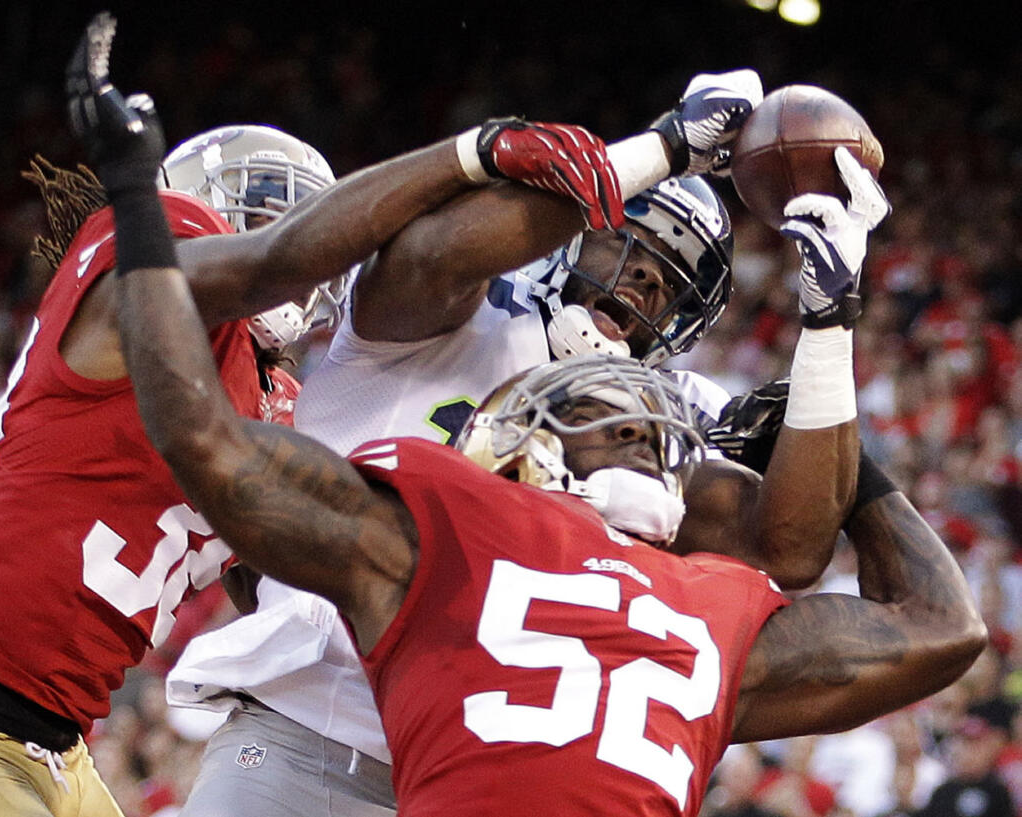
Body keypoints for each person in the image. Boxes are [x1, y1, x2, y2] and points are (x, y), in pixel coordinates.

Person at [85, 48, 987, 817]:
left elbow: (787, 546)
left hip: (500, 772)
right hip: (316, 740)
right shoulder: (462, 308)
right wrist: (663, 148)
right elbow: (436, 251)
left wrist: (829, 323)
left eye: (668, 284)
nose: (639, 286)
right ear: (575, 235)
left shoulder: (654, 417)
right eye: (628, 250)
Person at [0, 14, 626, 817]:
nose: (294, 242)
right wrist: (473, 152)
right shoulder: (132, 259)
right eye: (261, 209)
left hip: (57, 744)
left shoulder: (268, 397)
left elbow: (279, 576)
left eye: (292, 214)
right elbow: (282, 258)